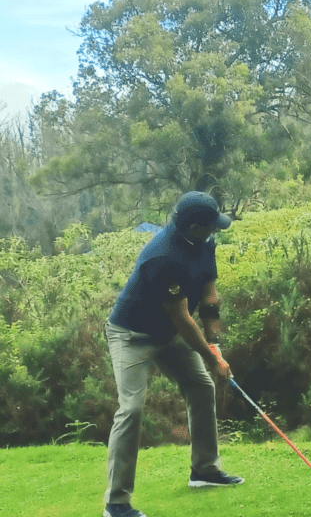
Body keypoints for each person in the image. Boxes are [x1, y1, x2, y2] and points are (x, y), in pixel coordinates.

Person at [103, 191, 243, 517]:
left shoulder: (205, 244)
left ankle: (204, 470)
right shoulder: (162, 256)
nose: (216, 230)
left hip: (167, 335)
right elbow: (181, 318)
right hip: (131, 336)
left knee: (201, 386)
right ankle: (116, 504)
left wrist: (215, 345)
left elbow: (209, 297)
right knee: (131, 409)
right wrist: (212, 360)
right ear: (193, 226)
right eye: (210, 225)